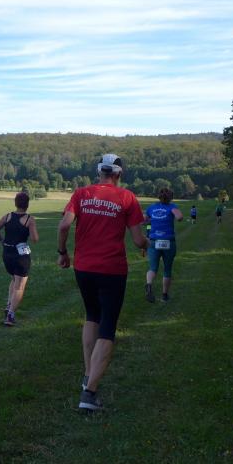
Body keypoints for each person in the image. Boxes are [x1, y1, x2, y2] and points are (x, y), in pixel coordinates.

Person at [57, 154, 148, 411]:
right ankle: (89, 394)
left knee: (92, 316)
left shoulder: (81, 194)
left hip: (83, 268)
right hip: (112, 270)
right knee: (107, 325)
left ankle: (88, 374)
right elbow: (138, 240)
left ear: (99, 172)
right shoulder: (127, 197)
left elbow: (64, 226)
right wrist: (147, 244)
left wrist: (62, 253)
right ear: (119, 174)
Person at [0, 192, 39, 326]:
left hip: (7, 254)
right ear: (27, 204)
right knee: (19, 286)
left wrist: (2, 241)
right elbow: (35, 239)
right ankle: (10, 315)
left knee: (14, 279)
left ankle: (8, 306)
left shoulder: (7, 216)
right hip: (21, 256)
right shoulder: (29, 219)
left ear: (15, 203)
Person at [144, 188, 184, 303]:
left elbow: (143, 220)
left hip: (153, 241)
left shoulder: (151, 207)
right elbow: (179, 217)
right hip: (168, 241)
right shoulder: (172, 206)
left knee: (153, 268)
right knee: (167, 269)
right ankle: (164, 295)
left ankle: (149, 284)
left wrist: (152, 222)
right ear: (171, 197)